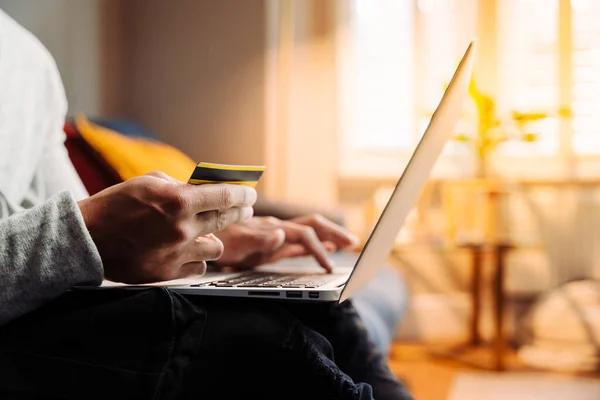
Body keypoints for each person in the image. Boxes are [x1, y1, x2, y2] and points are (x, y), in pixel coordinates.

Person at [0, 9, 413, 400]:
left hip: (46, 305)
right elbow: (84, 230)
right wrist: (84, 234)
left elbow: (80, 212)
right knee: (263, 343)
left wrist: (208, 238)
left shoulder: (29, 59)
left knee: (325, 307)